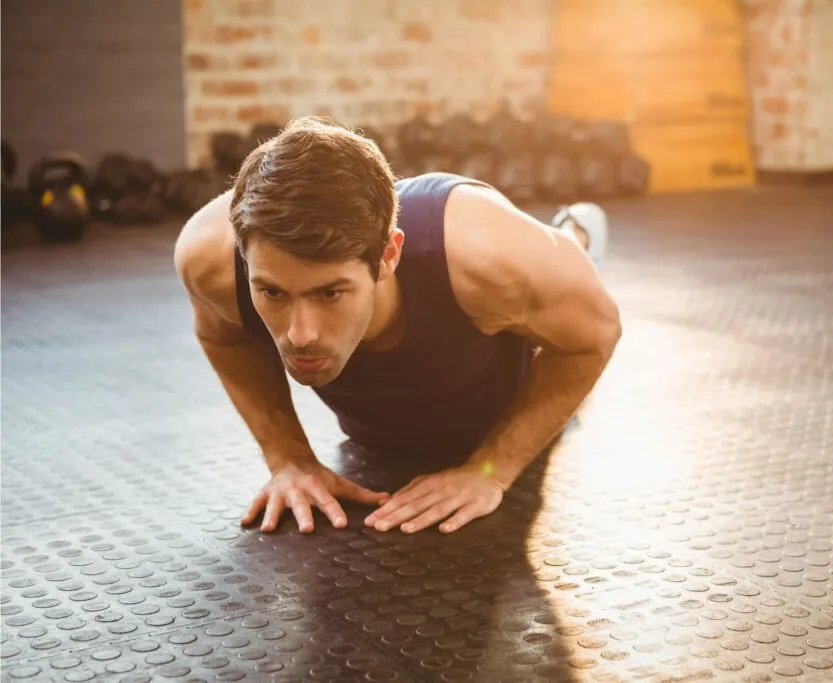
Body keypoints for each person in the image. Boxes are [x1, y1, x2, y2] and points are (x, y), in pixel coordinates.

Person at [173, 116, 621, 536]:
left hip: (498, 383)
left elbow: (596, 334)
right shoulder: (210, 259)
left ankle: (576, 234)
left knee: (559, 287)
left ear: (388, 256)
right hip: (381, 426)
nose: (300, 334)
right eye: (273, 293)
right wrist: (288, 457)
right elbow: (222, 335)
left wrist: (492, 470)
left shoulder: (488, 257)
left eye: (330, 293)